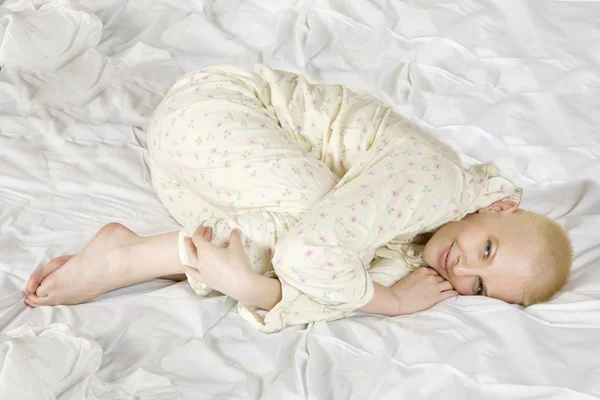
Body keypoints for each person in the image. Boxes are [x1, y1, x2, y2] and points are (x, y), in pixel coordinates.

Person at [24, 65, 573, 333]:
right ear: (498, 207)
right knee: (315, 222)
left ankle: (158, 252)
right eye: (488, 249)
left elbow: (314, 286)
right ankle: (132, 257)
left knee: (326, 254)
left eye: (479, 286)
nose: (464, 270)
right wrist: (394, 303)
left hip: (194, 183)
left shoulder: (417, 248)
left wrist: (248, 286)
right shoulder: (440, 184)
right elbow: (308, 255)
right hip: (215, 111)